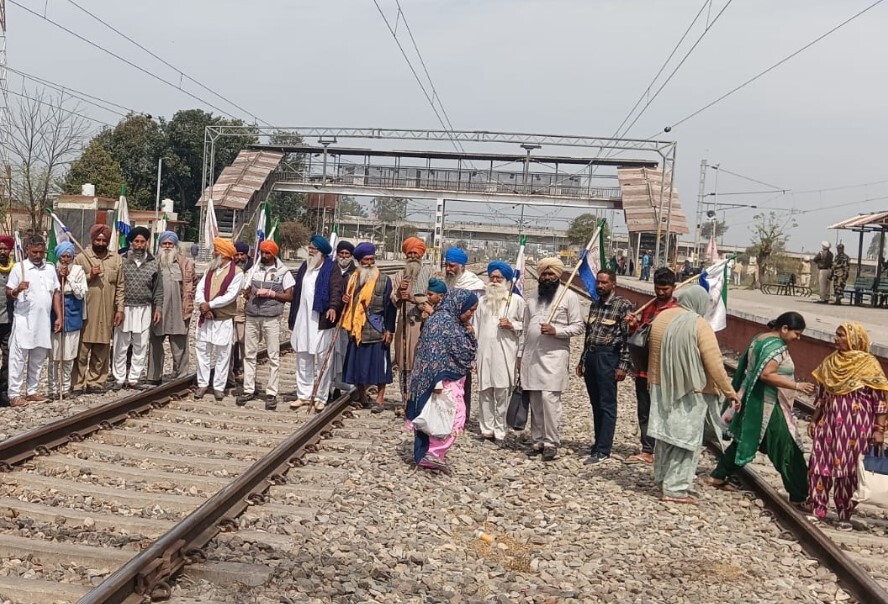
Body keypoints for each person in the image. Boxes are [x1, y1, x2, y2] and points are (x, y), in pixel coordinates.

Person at [708, 312, 816, 504]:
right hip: (769, 405)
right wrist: (797, 386)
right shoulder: (776, 348)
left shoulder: (760, 338)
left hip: (752, 399)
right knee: (788, 448)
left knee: (745, 440)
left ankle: (719, 474)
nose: (798, 338)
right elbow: (766, 374)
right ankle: (800, 495)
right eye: (796, 333)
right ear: (784, 329)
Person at [646, 286, 740, 503]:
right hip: (689, 390)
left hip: (659, 386)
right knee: (686, 441)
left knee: (665, 437)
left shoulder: (661, 317)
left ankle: (661, 479)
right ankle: (675, 489)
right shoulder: (699, 324)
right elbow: (715, 363)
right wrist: (730, 392)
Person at [806, 322, 888, 530]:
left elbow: (880, 401)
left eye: (841, 335)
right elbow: (823, 397)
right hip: (829, 423)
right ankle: (818, 509)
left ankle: (845, 514)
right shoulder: (830, 362)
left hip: (856, 427)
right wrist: (815, 419)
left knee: (850, 470)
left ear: (854, 339)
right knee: (819, 464)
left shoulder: (869, 365)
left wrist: (879, 430)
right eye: (836, 334)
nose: (836, 339)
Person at [406, 288, 478, 472]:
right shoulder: (441, 322)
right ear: (459, 305)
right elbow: (431, 354)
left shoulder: (452, 322)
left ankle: (432, 454)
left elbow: (463, 350)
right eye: (470, 310)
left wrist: (469, 332)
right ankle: (432, 454)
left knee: (445, 416)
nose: (471, 314)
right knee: (449, 416)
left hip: (449, 379)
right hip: (440, 380)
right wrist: (436, 382)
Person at [521, 257, 584, 461]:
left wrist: (557, 330)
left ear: (558, 276)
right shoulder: (531, 298)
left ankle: (551, 442)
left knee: (550, 400)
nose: (547, 278)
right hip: (532, 357)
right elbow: (524, 328)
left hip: (554, 357)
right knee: (535, 399)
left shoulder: (569, 297)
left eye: (551, 275)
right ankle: (537, 440)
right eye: (544, 274)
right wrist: (519, 355)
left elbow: (578, 326)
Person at [578, 269, 633, 465]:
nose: (600, 286)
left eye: (604, 283)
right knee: (595, 404)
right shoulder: (595, 305)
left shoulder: (622, 306)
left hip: (608, 357)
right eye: (598, 283)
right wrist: (582, 360)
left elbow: (627, 339)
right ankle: (597, 443)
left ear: (613, 284)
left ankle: (603, 449)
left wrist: (623, 366)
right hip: (592, 357)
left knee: (607, 404)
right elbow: (589, 334)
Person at [624, 267, 678, 464]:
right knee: (645, 411)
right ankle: (647, 449)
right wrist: (633, 326)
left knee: (664, 412)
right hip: (643, 370)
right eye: (658, 288)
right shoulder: (648, 307)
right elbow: (639, 336)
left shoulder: (676, 312)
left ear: (674, 287)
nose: (661, 292)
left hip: (664, 372)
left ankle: (664, 450)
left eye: (665, 289)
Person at [236, 239, 295, 410]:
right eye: (262, 252)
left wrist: (271, 293)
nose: (264, 255)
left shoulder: (283, 272)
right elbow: (246, 289)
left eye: (268, 253)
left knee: (273, 356)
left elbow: (289, 296)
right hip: (253, 316)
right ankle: (248, 388)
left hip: (271, 318)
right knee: (249, 354)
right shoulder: (254, 268)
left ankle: (271, 392)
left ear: (274, 254)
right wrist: (246, 292)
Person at [286, 235, 341, 411]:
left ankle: (321, 396)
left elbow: (336, 290)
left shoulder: (332, 268)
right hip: (303, 320)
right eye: (310, 248)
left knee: (322, 358)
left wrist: (333, 307)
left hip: (321, 320)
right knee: (303, 356)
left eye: (313, 248)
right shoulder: (305, 267)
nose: (310, 250)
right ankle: (303, 394)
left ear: (322, 252)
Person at [6, 235, 62, 406]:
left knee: (38, 358)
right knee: (18, 358)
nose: (38, 255)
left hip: (43, 321)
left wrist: (59, 316)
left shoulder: (50, 268)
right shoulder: (19, 268)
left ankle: (32, 391)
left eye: (41, 252)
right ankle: (14, 394)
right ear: (27, 250)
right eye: (35, 252)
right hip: (24, 320)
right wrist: (17, 289)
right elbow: (9, 293)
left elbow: (55, 293)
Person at [341, 242, 396, 411]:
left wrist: (389, 329)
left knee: (380, 367)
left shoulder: (384, 280)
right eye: (366, 260)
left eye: (372, 259)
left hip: (378, 328)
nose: (370, 263)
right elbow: (348, 303)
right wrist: (345, 300)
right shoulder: (352, 279)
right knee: (359, 365)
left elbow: (390, 307)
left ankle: (380, 399)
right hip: (357, 330)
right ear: (359, 261)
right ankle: (362, 395)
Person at [475, 261, 525, 444]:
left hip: (505, 354)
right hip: (484, 353)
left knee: (503, 392)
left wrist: (512, 325)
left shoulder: (516, 301)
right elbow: (475, 327)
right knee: (484, 392)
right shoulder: (482, 301)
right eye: (492, 277)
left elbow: (525, 327)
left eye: (499, 278)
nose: (495, 281)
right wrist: (474, 356)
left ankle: (500, 431)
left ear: (506, 280)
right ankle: (486, 429)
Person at [74, 224, 124, 394]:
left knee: (101, 348)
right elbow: (73, 285)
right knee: (81, 350)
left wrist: (120, 309)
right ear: (92, 240)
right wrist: (90, 276)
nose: (101, 243)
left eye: (104, 240)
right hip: (87, 311)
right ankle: (78, 383)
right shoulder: (82, 258)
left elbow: (120, 286)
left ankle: (96, 381)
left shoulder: (116, 259)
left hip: (107, 310)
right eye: (98, 239)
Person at [112, 227, 163, 390]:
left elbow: (158, 289)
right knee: (122, 344)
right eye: (136, 242)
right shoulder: (121, 260)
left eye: (142, 242)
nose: (139, 245)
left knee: (140, 344)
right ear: (131, 243)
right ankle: (119, 378)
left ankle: (134, 378)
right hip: (124, 308)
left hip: (144, 308)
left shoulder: (153, 263)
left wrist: (158, 308)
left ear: (147, 243)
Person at [194, 237, 245, 401]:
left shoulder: (237, 273)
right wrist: (203, 304)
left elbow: (230, 296)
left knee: (223, 353)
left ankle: (218, 386)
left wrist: (210, 305)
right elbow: (200, 288)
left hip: (223, 319)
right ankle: (202, 384)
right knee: (202, 351)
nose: (214, 252)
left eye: (217, 250)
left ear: (224, 254)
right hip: (206, 317)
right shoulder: (210, 269)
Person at [147, 231, 195, 384]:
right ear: (160, 245)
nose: (167, 247)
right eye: (164, 244)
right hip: (158, 309)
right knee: (155, 342)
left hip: (178, 309)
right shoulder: (153, 262)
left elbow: (192, 285)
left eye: (170, 244)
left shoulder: (185, 263)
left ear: (175, 245)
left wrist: (189, 305)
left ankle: (181, 376)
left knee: (179, 342)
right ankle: (154, 377)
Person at [391, 237, 432, 409]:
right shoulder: (400, 275)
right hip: (404, 323)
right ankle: (405, 399)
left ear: (421, 254)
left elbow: (434, 299)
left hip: (422, 324)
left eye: (416, 253)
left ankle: (419, 400)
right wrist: (400, 295)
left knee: (419, 362)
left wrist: (416, 300)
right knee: (404, 362)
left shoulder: (429, 274)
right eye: (410, 253)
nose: (413, 256)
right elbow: (393, 299)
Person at [443, 247, 485, 417]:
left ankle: (462, 415)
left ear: (461, 266)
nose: (448, 269)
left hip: (465, 335)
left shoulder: (474, 286)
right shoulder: (448, 283)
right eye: (446, 265)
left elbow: (478, 314)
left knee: (463, 377)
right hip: (447, 335)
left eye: (452, 266)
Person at [48, 241, 87, 398]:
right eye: (62, 256)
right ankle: (52, 389)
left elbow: (81, 292)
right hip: (54, 313)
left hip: (73, 312)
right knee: (54, 356)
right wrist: (58, 277)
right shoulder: (51, 270)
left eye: (68, 256)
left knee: (68, 355)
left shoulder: (78, 270)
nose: (65, 259)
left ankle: (65, 387)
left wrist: (68, 278)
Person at [330, 240, 356, 400]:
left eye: (347, 254)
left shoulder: (355, 272)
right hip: (330, 318)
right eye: (341, 254)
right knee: (330, 353)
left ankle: (343, 384)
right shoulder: (330, 269)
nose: (344, 257)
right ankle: (329, 386)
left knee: (344, 352)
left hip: (347, 319)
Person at [230, 241, 251, 382]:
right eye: (236, 254)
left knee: (244, 342)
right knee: (231, 343)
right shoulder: (230, 268)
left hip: (246, 312)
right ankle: (232, 370)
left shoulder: (253, 269)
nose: (239, 257)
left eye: (241, 254)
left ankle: (245, 372)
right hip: (231, 310)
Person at [0, 235, 15, 406]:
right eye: (0, 248)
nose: (2, 251)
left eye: (5, 249)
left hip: (9, 320)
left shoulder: (15, 269)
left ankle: (3, 389)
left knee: (8, 356)